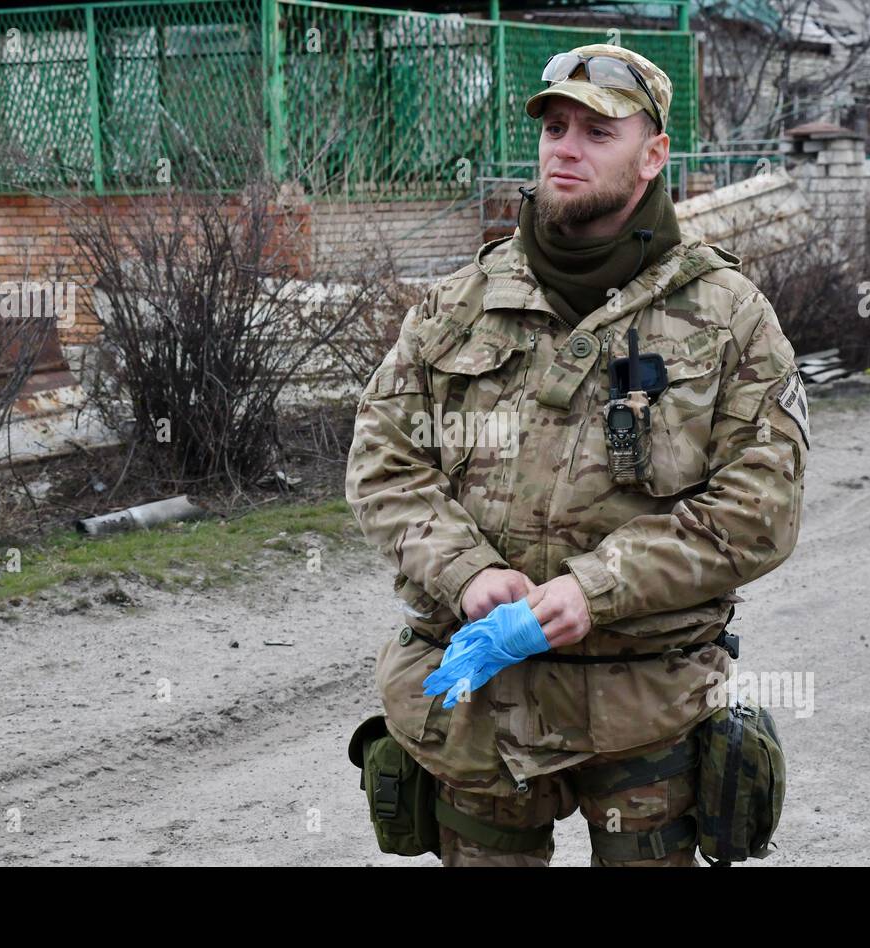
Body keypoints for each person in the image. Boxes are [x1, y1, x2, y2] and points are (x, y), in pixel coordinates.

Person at [345, 43, 809, 866]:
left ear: (653, 154)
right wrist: (466, 572)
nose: (566, 145)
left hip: (645, 705)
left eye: (598, 129)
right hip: (477, 706)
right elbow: (384, 462)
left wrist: (597, 590)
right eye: (556, 125)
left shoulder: (728, 318)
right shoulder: (456, 306)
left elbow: (760, 510)